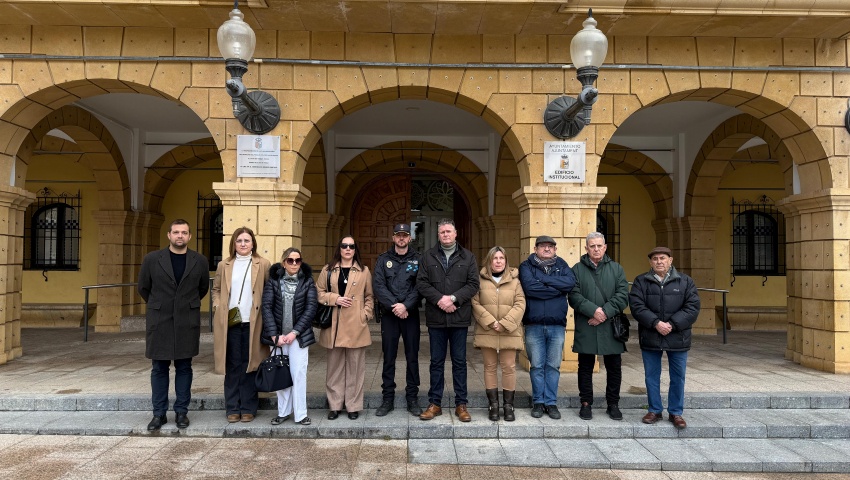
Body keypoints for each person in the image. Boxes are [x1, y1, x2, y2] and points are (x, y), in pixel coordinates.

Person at [138, 219, 209, 431]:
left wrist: (184, 305)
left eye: (184, 232)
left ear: (189, 236)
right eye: (176, 232)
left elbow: (202, 288)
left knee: (184, 367)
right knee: (159, 368)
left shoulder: (200, 261)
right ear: (169, 235)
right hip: (160, 321)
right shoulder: (152, 259)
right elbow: (144, 288)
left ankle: (181, 412)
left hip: (187, 321)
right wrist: (159, 306)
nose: (180, 236)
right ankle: (158, 414)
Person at [629, 246, 701, 430]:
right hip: (651, 334)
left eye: (662, 258)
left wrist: (672, 324)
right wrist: (656, 323)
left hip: (678, 336)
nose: (659, 261)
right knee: (652, 376)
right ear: (650, 262)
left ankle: (676, 412)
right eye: (655, 259)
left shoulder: (685, 281)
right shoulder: (641, 281)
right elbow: (637, 306)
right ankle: (654, 410)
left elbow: (692, 307)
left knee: (678, 376)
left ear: (670, 260)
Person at [416, 219, 479, 422]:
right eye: (442, 232)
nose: (445, 234)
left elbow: (473, 284)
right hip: (436, 318)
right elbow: (422, 283)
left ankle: (461, 404)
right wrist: (440, 300)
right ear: (438, 235)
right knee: (436, 362)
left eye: (448, 231)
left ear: (455, 233)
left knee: (460, 362)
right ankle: (435, 403)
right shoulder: (428, 256)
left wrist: (453, 299)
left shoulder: (468, 257)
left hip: (459, 317)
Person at [568, 232, 629, 421]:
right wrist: (594, 311)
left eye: (599, 246)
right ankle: (586, 403)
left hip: (610, 325)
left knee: (614, 367)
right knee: (585, 367)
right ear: (586, 248)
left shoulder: (617, 269)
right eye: (592, 246)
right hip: (587, 324)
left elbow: (622, 295)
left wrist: (603, 314)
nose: (596, 249)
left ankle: (613, 404)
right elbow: (574, 295)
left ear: (605, 247)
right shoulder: (577, 269)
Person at [212, 227, 271, 423]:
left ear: (253, 243)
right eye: (239, 241)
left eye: (247, 240)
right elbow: (217, 289)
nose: (243, 244)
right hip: (230, 322)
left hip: (254, 322)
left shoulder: (263, 264)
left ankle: (248, 407)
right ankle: (232, 407)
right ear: (234, 244)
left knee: (251, 364)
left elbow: (269, 291)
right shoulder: (224, 265)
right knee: (232, 365)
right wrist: (218, 305)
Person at [518, 235, 575, 420]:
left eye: (551, 246)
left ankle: (551, 403)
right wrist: (555, 288)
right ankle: (538, 402)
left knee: (553, 366)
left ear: (555, 249)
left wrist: (542, 280)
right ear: (536, 249)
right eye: (543, 246)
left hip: (556, 325)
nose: (547, 249)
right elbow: (529, 288)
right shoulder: (526, 266)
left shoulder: (563, 265)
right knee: (536, 366)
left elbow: (569, 284)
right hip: (534, 324)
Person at [317, 235, 374, 420]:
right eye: (344, 246)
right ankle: (334, 405)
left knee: (355, 368)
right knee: (334, 368)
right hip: (334, 324)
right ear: (339, 248)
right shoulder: (328, 269)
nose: (348, 249)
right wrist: (335, 299)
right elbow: (319, 292)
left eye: (351, 246)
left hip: (356, 325)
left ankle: (353, 406)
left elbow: (369, 296)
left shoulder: (364, 271)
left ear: (355, 249)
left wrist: (365, 314)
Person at [261, 247, 317, 426]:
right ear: (284, 262)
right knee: (281, 374)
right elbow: (267, 307)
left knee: (298, 374)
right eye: (290, 260)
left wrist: (294, 332)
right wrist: (274, 335)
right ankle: (283, 412)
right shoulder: (273, 282)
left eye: (298, 260)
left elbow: (311, 309)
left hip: (299, 337)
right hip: (277, 337)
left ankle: (301, 414)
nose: (294, 264)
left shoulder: (308, 281)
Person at [372, 223, 423, 417]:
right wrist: (395, 305)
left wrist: (405, 306)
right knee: (389, 357)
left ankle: (412, 398)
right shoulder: (383, 260)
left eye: (405, 235)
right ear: (393, 238)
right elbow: (378, 285)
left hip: (410, 315)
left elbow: (420, 285)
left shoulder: (418, 260)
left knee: (412, 357)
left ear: (410, 238)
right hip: (389, 315)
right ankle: (388, 399)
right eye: (398, 235)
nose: (401, 238)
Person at [472, 246, 526, 422]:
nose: (498, 261)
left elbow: (520, 304)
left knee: (509, 367)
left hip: (508, 331)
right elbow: (475, 303)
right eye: (494, 258)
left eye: (501, 258)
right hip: (487, 330)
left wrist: (504, 324)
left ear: (506, 260)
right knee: (489, 367)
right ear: (489, 260)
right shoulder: (479, 280)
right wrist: (490, 322)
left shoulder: (515, 281)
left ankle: (508, 406)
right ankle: (493, 405)